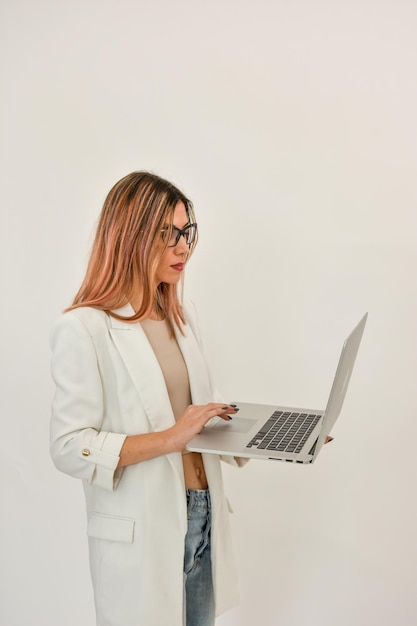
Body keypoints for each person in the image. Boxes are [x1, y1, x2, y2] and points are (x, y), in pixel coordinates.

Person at [50, 171, 247, 626]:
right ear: (130, 237)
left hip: (202, 515)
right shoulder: (83, 328)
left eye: (187, 232)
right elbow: (67, 446)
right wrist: (169, 439)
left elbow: (205, 408)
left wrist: (273, 433)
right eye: (168, 234)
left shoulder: (182, 316)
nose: (184, 247)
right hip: (144, 529)